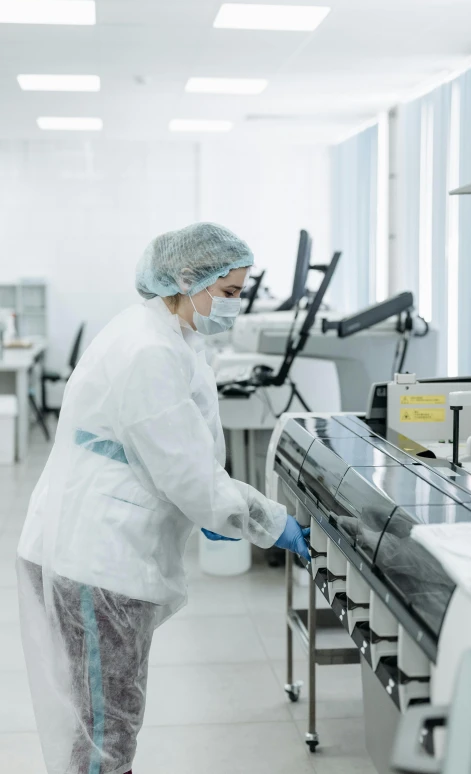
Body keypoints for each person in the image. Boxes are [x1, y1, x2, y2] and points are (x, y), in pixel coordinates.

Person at [16, 222, 310, 774]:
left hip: (98, 541)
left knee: (105, 717)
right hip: (95, 554)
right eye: (228, 292)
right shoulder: (150, 350)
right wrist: (269, 523)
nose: (236, 307)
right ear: (184, 278)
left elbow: (179, 457)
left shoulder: (163, 334)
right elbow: (188, 474)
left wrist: (215, 507)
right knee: (106, 725)